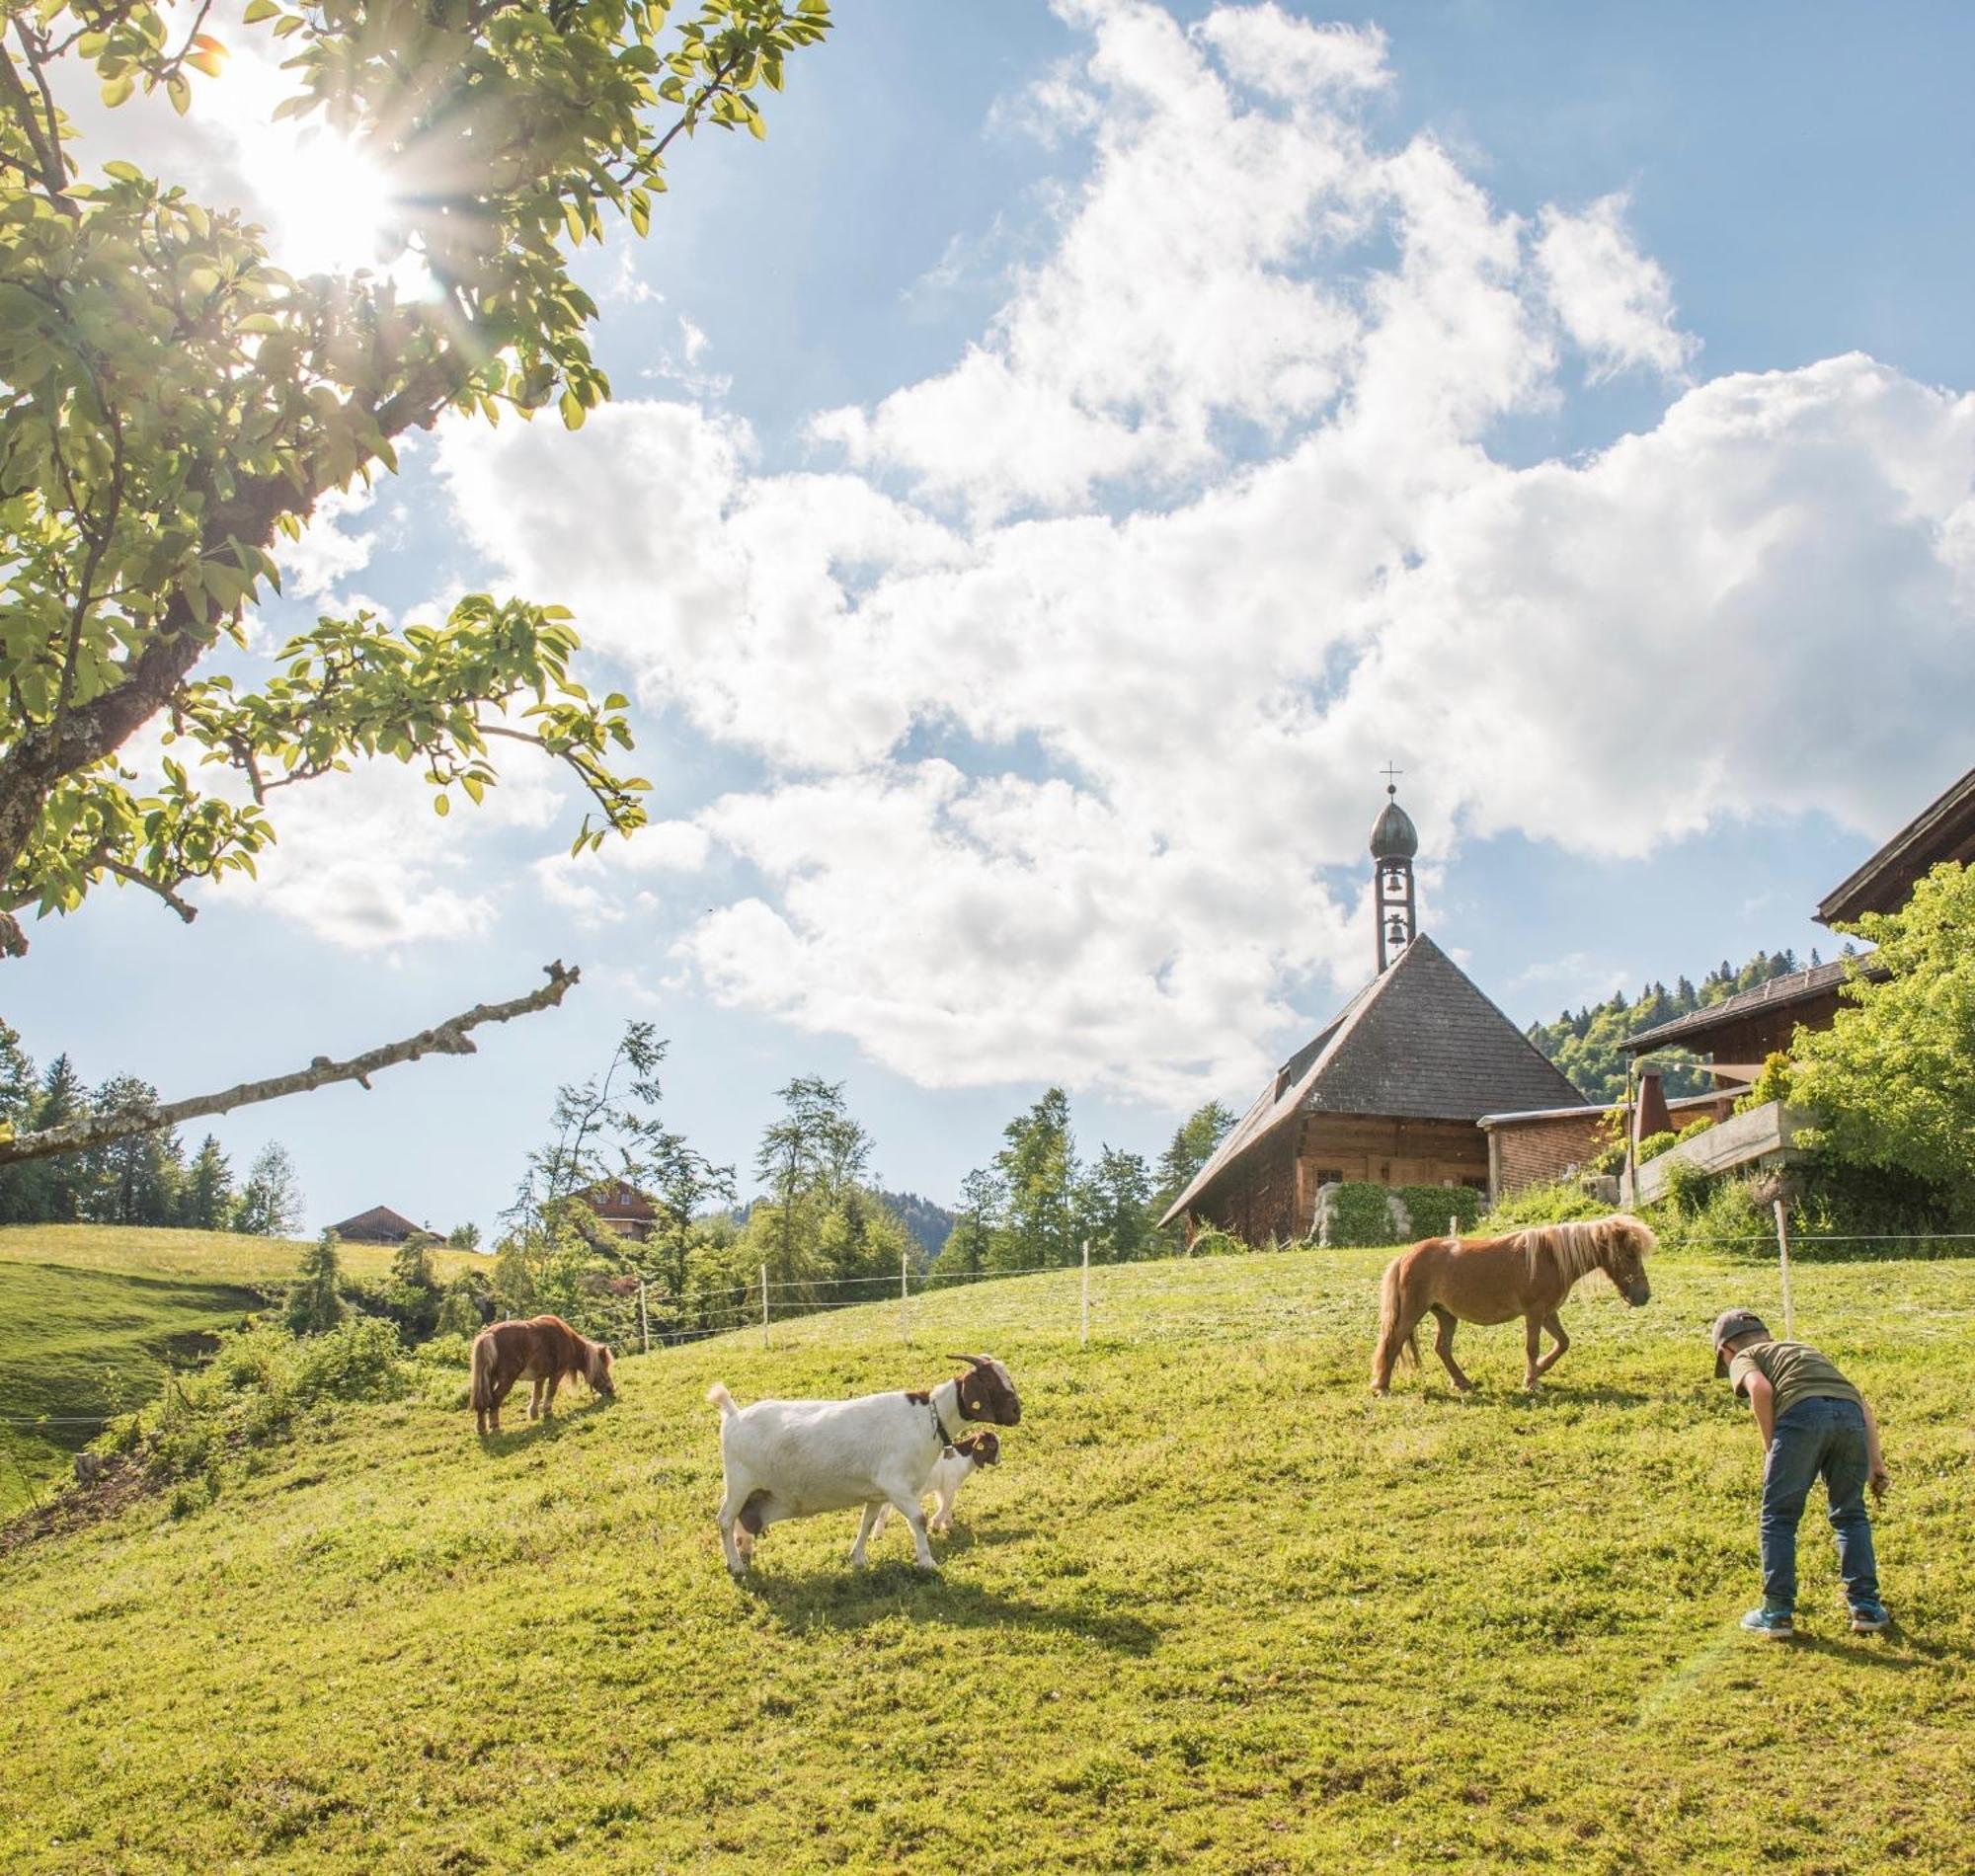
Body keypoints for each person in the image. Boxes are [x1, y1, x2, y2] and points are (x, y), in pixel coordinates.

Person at [1710, 1308, 1890, 1639]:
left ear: (1725, 1350)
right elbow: (1862, 1404)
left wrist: (1771, 1448)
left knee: (1778, 1517)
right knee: (1850, 1514)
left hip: (1801, 1416)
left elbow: (1761, 1391)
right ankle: (1866, 1607)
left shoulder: (1744, 1356)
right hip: (1848, 1416)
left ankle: (1776, 1612)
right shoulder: (1802, 1349)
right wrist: (1875, 1464)